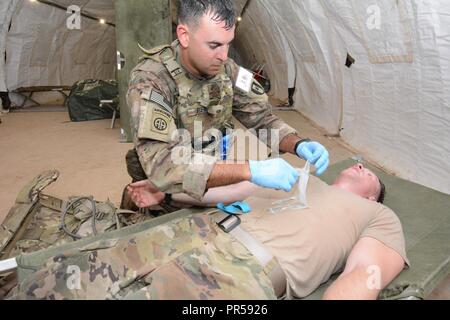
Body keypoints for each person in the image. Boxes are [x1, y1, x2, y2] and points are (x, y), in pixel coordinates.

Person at [8, 163, 408, 300]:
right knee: (69, 274)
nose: (360, 167)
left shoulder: (377, 217)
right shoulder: (297, 178)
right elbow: (226, 192)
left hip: (246, 272)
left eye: (369, 173)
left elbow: (363, 277)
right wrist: (166, 194)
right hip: (197, 229)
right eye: (358, 164)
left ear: (374, 197)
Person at [121, 0, 329, 213]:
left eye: (228, 43)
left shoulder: (229, 71)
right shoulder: (151, 80)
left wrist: (298, 144)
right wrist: (251, 170)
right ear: (184, 35)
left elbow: (261, 118)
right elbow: (165, 165)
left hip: (212, 185)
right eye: (214, 45)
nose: (224, 55)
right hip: (162, 197)